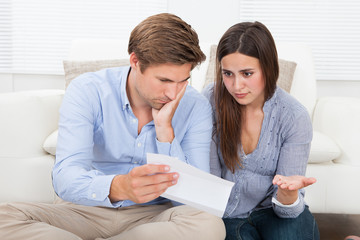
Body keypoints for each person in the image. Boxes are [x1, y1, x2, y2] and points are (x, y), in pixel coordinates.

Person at [0, 13, 225, 240]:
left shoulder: (196, 106)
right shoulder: (88, 91)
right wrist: (119, 187)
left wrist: (165, 132)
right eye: (164, 81)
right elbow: (65, 177)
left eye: (182, 81)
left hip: (154, 217)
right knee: (4, 217)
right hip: (84, 210)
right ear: (135, 62)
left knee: (210, 226)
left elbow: (195, 199)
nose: (173, 93)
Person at [202, 21, 320, 240]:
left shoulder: (293, 116)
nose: (236, 86)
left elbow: (289, 211)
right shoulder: (211, 99)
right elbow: (210, 180)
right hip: (226, 214)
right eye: (228, 74)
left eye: (247, 73)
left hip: (275, 212)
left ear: (268, 68)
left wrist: (288, 193)